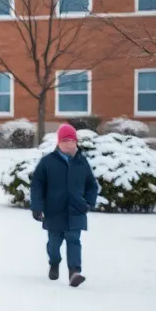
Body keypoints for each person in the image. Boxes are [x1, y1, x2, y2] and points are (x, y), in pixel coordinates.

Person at [30, 123, 99, 287]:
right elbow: (37, 185)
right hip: (54, 210)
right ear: (59, 143)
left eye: (72, 140)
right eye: (65, 140)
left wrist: (88, 202)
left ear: (76, 142)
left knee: (74, 240)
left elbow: (92, 185)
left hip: (76, 210)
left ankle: (74, 272)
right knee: (54, 242)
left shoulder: (82, 163)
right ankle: (54, 262)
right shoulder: (47, 162)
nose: (69, 144)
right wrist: (37, 207)